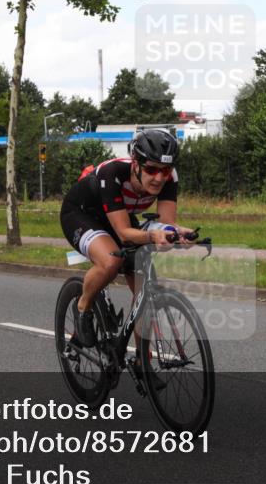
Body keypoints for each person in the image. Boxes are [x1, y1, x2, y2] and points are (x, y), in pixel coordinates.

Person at [59, 129, 194, 382]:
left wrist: (177, 233)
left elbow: (166, 223)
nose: (159, 178)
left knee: (145, 286)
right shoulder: (113, 173)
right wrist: (154, 236)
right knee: (112, 260)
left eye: (165, 171)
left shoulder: (169, 178)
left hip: (118, 214)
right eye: (152, 169)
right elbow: (123, 232)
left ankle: (143, 361)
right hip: (82, 214)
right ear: (136, 163)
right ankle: (83, 308)